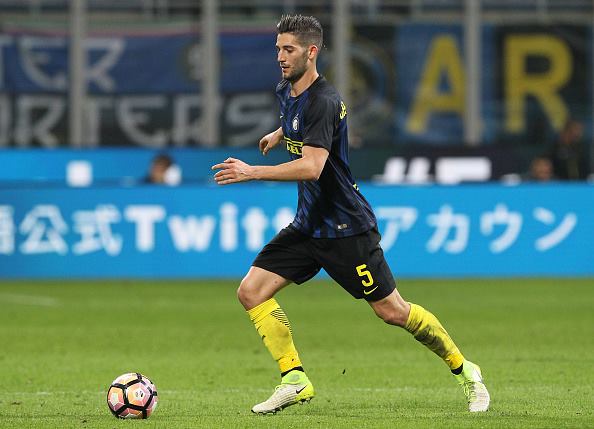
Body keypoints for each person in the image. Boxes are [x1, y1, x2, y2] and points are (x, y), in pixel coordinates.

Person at [212, 14, 489, 415]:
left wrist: (252, 172)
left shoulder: (324, 101)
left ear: (311, 52)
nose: (280, 57)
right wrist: (279, 133)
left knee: (392, 311)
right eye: (278, 49)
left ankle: (466, 371)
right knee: (251, 291)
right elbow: (297, 121)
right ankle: (294, 379)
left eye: (288, 50)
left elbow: (312, 167)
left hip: (346, 228)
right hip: (309, 225)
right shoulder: (287, 90)